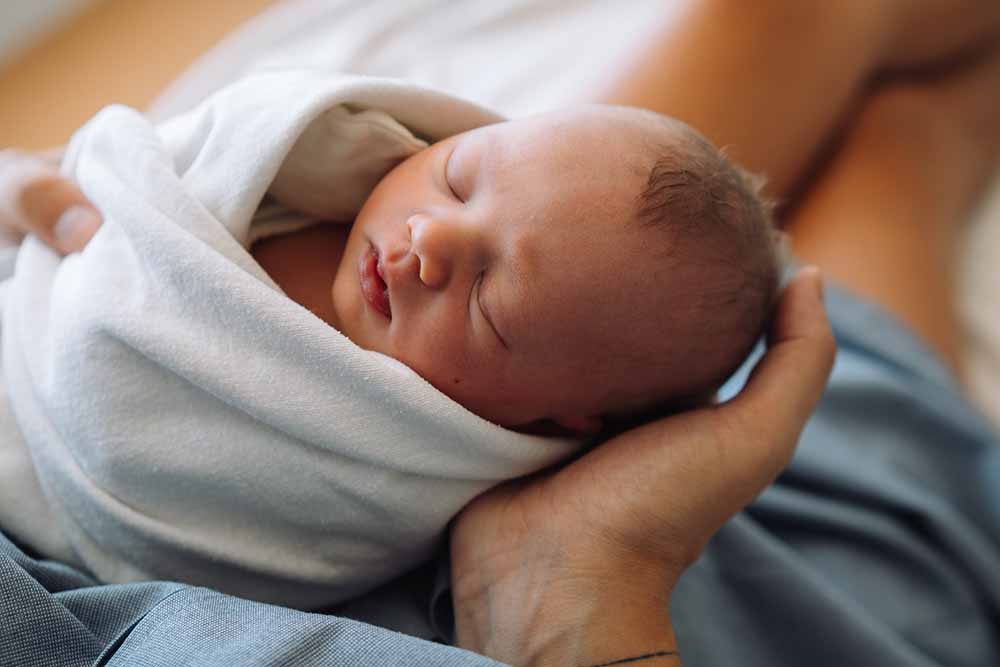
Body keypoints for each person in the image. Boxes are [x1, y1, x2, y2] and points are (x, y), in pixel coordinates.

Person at [0, 1, 998, 666]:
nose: (428, 241)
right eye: (455, 173)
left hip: (717, 499)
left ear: (558, 417)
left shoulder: (472, 417)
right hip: (840, 581)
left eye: (487, 300)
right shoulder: (388, 226)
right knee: (908, 133)